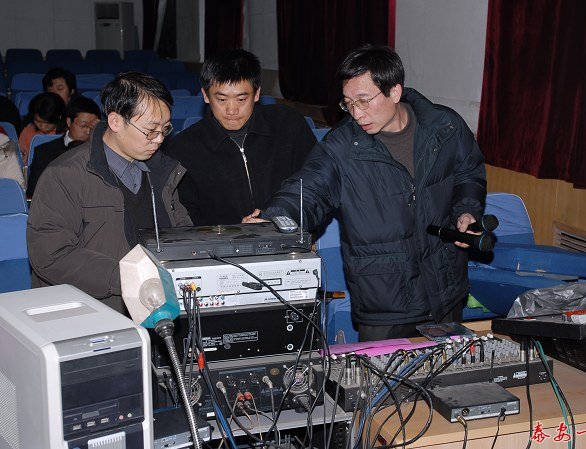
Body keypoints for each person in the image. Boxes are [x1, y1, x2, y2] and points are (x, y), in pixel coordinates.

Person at [244, 45, 487, 342]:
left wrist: (467, 210)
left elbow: (468, 172)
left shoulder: (445, 126)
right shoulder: (341, 147)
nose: (357, 113)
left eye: (363, 101)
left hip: (445, 289)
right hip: (384, 301)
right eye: (348, 103)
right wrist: (274, 219)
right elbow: (307, 190)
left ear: (394, 91)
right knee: (381, 374)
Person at [27, 72, 193, 314]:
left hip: (160, 303)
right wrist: (128, 277)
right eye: (150, 130)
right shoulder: (64, 175)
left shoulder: (162, 170)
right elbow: (51, 255)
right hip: (97, 312)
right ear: (115, 122)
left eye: (165, 129)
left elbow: (181, 231)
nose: (158, 139)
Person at [163, 49, 316, 225]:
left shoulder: (288, 124)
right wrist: (235, 230)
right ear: (206, 95)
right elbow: (185, 218)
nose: (232, 110)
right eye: (222, 100)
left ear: (256, 94)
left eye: (241, 99)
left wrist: (280, 218)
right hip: (221, 241)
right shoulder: (183, 149)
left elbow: (314, 185)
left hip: (289, 232)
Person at [27, 96, 101, 197]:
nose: (88, 132)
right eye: (84, 126)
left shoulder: (101, 151)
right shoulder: (44, 152)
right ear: (69, 122)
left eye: (92, 127)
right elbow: (34, 192)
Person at [18, 92, 66, 165]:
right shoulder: (28, 131)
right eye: (38, 121)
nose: (43, 126)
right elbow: (21, 155)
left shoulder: (69, 133)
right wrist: (23, 160)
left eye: (48, 123)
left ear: (59, 117)